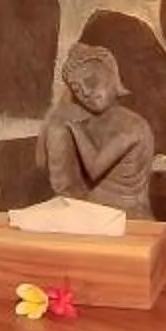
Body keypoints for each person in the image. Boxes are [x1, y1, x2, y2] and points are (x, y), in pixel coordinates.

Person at [39, 42, 155, 218]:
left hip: (127, 214)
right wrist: (59, 111)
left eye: (91, 81)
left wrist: (74, 128)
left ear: (111, 73)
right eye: (76, 89)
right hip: (94, 209)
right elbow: (41, 162)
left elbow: (94, 168)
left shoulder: (133, 126)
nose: (85, 92)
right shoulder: (93, 120)